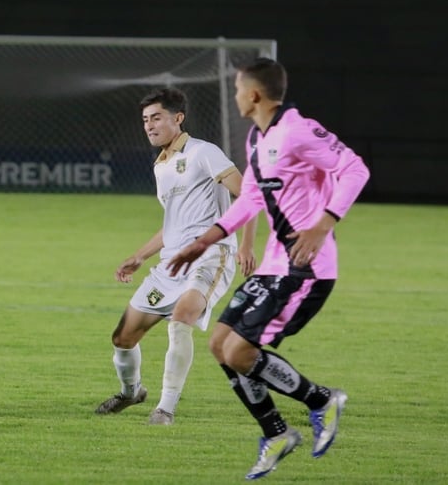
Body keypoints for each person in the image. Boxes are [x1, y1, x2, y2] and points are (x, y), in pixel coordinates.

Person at [168, 58, 369, 480]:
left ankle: (321, 401)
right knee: (220, 344)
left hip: (305, 269)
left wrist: (324, 224)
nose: (236, 95)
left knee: (241, 350)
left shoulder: (298, 130)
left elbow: (354, 168)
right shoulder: (259, 140)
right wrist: (203, 241)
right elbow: (251, 201)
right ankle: (276, 433)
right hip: (275, 265)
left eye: (239, 89)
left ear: (254, 94)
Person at [94, 88, 256, 425]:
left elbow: (249, 196)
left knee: (181, 321)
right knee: (123, 338)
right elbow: (173, 224)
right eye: (145, 120)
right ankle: (131, 392)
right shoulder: (161, 167)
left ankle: (164, 409)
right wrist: (139, 256)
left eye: (156, 118)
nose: (149, 126)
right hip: (171, 265)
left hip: (211, 256)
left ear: (177, 118)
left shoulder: (203, 152)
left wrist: (245, 245)